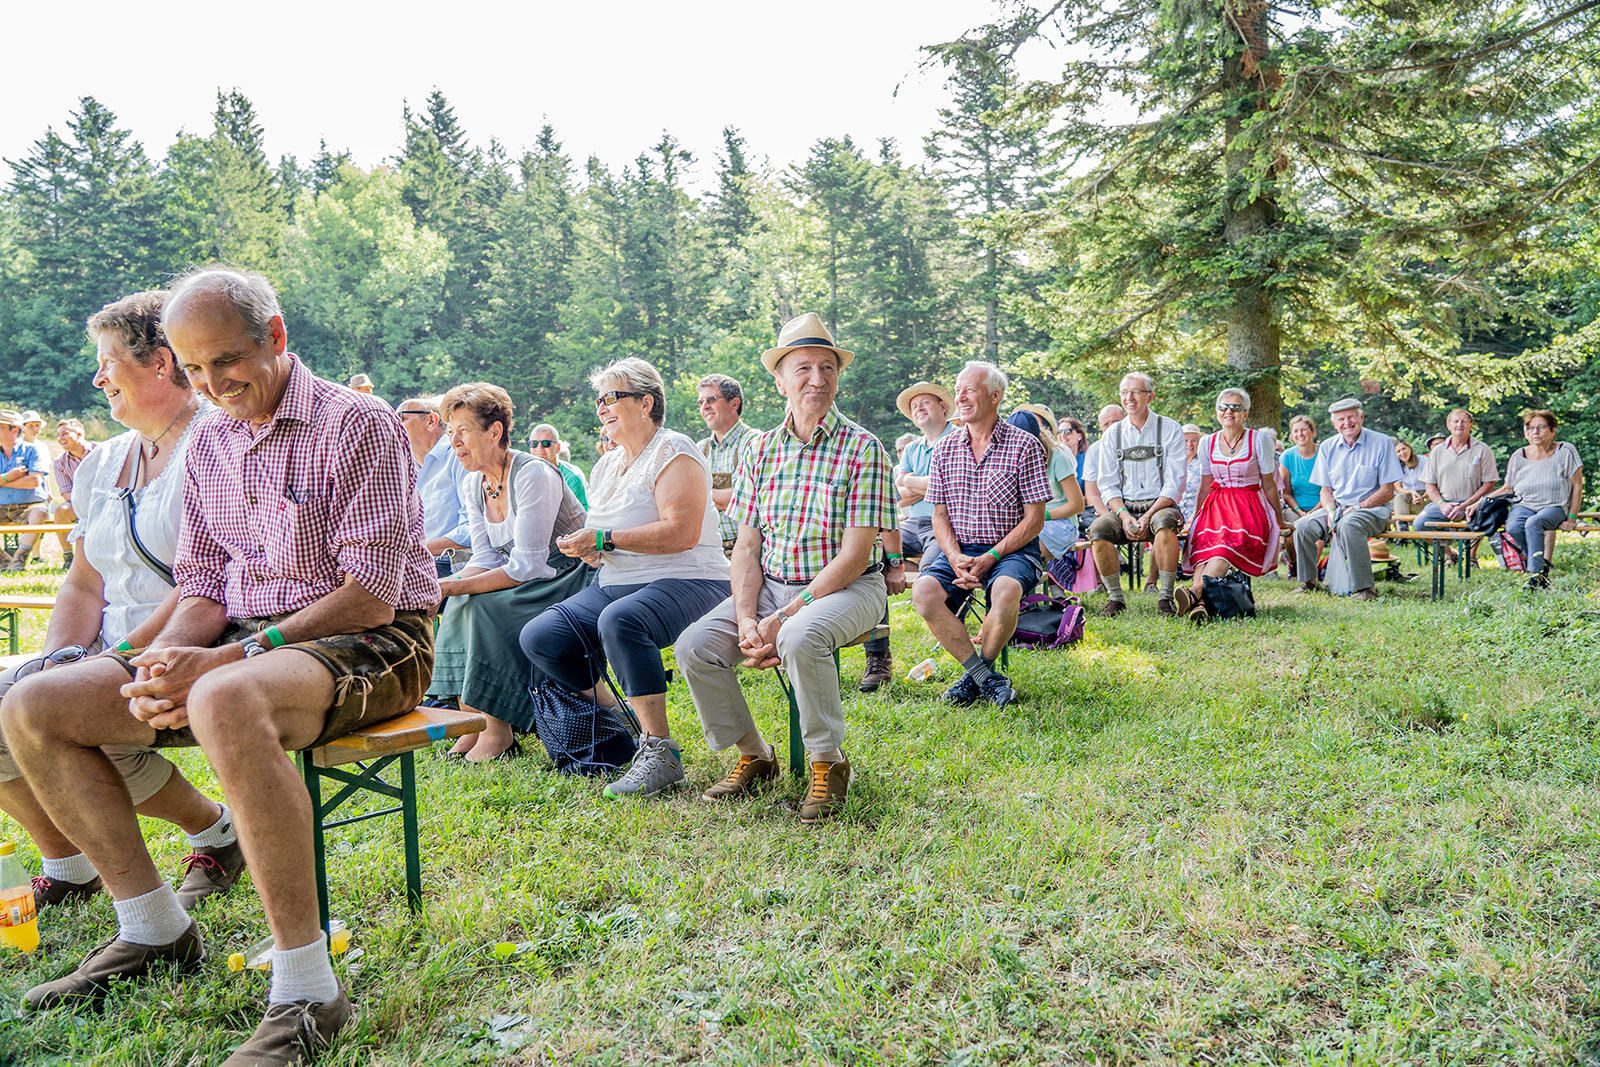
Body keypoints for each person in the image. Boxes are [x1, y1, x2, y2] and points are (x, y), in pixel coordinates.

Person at [2, 266, 439, 1064]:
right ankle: (154, 929)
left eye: (224, 363)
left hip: (379, 637)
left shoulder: (357, 422)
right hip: (250, 640)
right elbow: (203, 587)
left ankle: (310, 988)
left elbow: (373, 589)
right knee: (35, 703)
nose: (210, 384)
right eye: (193, 369)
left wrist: (233, 655)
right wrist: (162, 655)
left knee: (227, 697)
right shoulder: (206, 438)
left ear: (275, 336)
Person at [0, 291, 242, 915]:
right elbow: (84, 583)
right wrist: (61, 656)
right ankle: (67, 862)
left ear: (161, 364)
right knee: (24, 693)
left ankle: (205, 840)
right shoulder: (103, 461)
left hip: (199, 646)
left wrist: (105, 664)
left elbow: (207, 586)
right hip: (107, 651)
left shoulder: (219, 447)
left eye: (108, 360)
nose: (97, 376)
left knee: (52, 710)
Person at [676, 313, 894, 822]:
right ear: (779, 381)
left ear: (838, 377)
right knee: (694, 647)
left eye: (827, 368)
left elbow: (855, 556)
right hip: (772, 587)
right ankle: (755, 754)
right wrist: (750, 616)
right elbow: (747, 547)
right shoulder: (761, 449)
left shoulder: (863, 448)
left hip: (850, 589)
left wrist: (787, 615)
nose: (816, 379)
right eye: (803, 368)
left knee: (799, 637)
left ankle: (828, 762)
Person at [520, 358, 732, 797]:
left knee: (621, 620)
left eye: (611, 398)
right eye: (598, 400)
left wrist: (606, 538)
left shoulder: (675, 450)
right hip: (617, 581)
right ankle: (621, 718)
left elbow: (681, 533)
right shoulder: (606, 466)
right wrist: (593, 549)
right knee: (542, 635)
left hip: (692, 579)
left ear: (646, 402)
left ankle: (661, 752)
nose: (601, 408)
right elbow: (611, 538)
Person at [428, 385, 589, 762]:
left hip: (564, 575)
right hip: (525, 577)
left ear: (495, 432)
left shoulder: (533, 473)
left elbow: (530, 564)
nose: (455, 442)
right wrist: (447, 586)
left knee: (481, 607)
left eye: (463, 431)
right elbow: (484, 556)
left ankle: (498, 730)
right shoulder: (474, 482)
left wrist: (452, 585)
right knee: (461, 600)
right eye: (450, 433)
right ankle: (473, 721)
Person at [912, 362, 1049, 708]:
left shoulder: (1025, 445)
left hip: (1012, 552)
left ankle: (976, 676)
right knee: (924, 591)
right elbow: (939, 515)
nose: (961, 396)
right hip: (960, 550)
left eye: (970, 390)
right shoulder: (944, 448)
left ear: (995, 396)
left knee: (1005, 589)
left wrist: (993, 557)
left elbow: (1035, 520)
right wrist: (955, 556)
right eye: (958, 390)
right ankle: (984, 677)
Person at [857, 380, 955, 691]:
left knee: (929, 578)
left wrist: (912, 482)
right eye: (914, 407)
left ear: (943, 406)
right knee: (870, 558)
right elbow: (895, 493)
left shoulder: (959, 440)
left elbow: (952, 485)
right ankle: (878, 655)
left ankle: (951, 636)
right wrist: (924, 484)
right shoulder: (912, 448)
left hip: (949, 524)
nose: (919, 409)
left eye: (925, 403)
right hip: (911, 523)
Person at [1177, 388, 1282, 621]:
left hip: (1249, 505)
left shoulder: (1259, 440)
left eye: (1235, 407)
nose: (1228, 411)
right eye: (1223, 407)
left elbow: (1269, 484)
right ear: (1216, 413)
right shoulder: (1208, 442)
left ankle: (1194, 593)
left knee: (1224, 547)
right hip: (1217, 505)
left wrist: (1280, 518)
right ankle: (1200, 604)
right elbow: (1205, 486)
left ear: (1245, 414)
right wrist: (1196, 516)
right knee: (1204, 545)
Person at [1087, 373, 1186, 615]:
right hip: (1125, 506)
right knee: (1098, 530)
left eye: (1135, 392)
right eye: (1124, 393)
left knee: (1164, 524)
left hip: (1160, 504)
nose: (1128, 398)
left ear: (1150, 396)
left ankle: (1165, 597)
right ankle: (1115, 598)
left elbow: (1175, 483)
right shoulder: (1113, 434)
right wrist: (1123, 515)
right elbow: (1107, 483)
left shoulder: (1169, 428)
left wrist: (1148, 515)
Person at [1291, 398, 1403, 600]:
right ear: (1334, 423)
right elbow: (1325, 490)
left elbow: (1387, 491)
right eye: (1341, 419)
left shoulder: (1382, 443)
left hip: (1373, 509)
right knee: (1302, 526)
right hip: (1338, 507)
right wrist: (1331, 510)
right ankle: (1309, 582)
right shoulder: (1327, 447)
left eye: (1351, 417)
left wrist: (1359, 506)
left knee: (1349, 524)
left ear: (1361, 417)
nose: (1347, 423)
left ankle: (1365, 589)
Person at [1472, 409, 1583, 589]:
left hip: (1554, 506)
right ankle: (1539, 565)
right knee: (1513, 527)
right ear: (1525, 433)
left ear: (1553, 430)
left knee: (1533, 523)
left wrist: (1572, 517)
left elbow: (1577, 485)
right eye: (1530, 428)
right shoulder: (1519, 456)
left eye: (1541, 427)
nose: (1535, 432)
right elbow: (1508, 488)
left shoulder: (1565, 450)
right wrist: (1479, 502)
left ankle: (1536, 575)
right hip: (1523, 505)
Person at [396, 395, 471, 576]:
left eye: (401, 418)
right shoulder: (402, 468)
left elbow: (472, 530)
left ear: (431, 421)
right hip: (416, 562)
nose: (392, 425)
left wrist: (410, 551)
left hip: (451, 562)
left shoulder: (459, 457)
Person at [1017, 402, 1083, 591]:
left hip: (1061, 524)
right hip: (1027, 521)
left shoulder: (1057, 456)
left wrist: (1041, 515)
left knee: (1024, 544)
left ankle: (1027, 596)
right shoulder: (1013, 457)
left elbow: (1077, 505)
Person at [695, 373, 756, 555]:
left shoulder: (755, 443)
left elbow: (744, 498)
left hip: (747, 550)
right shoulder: (699, 449)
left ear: (734, 403)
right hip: (707, 552)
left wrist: (699, 495)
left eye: (711, 400)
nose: (705, 407)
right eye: (700, 402)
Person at [1413, 410, 1498, 532]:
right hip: (1444, 503)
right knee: (1419, 524)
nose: (1459, 424)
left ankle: (1471, 552)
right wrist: (1442, 505)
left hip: (1474, 504)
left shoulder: (1482, 449)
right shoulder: (1438, 451)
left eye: (1464, 421)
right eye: (1456, 421)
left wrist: (1465, 506)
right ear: (1448, 426)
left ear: (1471, 425)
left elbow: (1489, 484)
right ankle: (1447, 550)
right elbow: (1429, 485)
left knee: (1482, 522)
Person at [0, 409, 50, 571]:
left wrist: (2, 481)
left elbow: (34, 481)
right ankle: (4, 562)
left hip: (29, 506)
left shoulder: (32, 450)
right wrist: (10, 476)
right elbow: (25, 480)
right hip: (1, 506)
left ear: (14, 430)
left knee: (40, 513)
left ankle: (19, 561)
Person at [52, 418, 96, 569]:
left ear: (79, 434)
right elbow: (65, 492)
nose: (60, 439)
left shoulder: (101, 451)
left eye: (65, 434)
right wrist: (84, 502)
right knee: (60, 510)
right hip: (78, 504)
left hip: (104, 501)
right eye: (58, 435)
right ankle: (68, 557)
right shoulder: (60, 462)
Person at [528, 423, 590, 507]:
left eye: (546, 443)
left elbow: (581, 517)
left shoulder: (572, 478)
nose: (539, 448)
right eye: (534, 444)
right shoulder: (526, 476)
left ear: (558, 447)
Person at [1080, 404, 1124, 519]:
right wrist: (1109, 518)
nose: (1111, 428)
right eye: (1106, 424)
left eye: (1115, 422)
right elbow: (1092, 495)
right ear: (1100, 427)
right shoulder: (1094, 451)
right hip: (1108, 511)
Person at [1392, 438, 1428, 518]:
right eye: (1398, 451)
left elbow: (1432, 483)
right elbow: (1398, 487)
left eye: (1404, 449)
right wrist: (1411, 492)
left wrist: (1423, 497)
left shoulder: (1423, 460)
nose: (1402, 453)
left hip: (1426, 493)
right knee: (1399, 496)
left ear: (1410, 449)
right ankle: (1402, 525)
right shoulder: (1397, 466)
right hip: (1409, 495)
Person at [1179, 423, 1203, 522]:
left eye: (1193, 441)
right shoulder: (1174, 462)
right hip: (1174, 515)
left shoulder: (1203, 464)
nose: (1189, 444)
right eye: (1185, 441)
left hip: (1196, 516)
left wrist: (1195, 515)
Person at [1057, 417, 1089, 483]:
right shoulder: (1054, 460)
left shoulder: (1087, 460)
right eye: (1059, 432)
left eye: (1068, 431)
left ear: (1079, 436)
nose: (1063, 435)